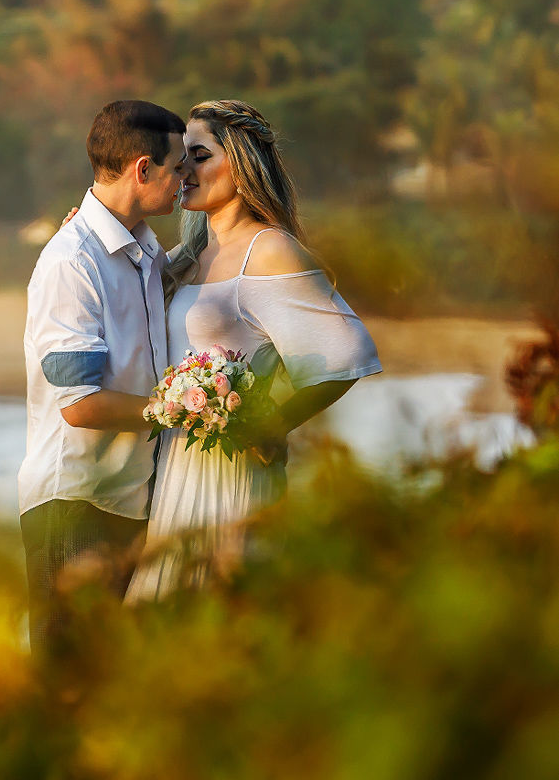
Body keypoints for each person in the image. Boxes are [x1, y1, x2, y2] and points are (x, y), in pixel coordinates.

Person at [123, 99, 382, 602]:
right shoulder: (190, 255)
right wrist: (87, 231)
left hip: (235, 472)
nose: (184, 169)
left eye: (199, 155)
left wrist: (272, 423)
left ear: (240, 166)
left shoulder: (269, 249)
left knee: (226, 616)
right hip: (178, 468)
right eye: (181, 158)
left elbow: (347, 352)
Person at [20, 100, 189, 656]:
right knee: (65, 683)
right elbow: (80, 404)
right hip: (75, 505)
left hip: (126, 498)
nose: (185, 181)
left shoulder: (142, 247)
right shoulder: (73, 262)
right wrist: (183, 408)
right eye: (178, 168)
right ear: (143, 169)